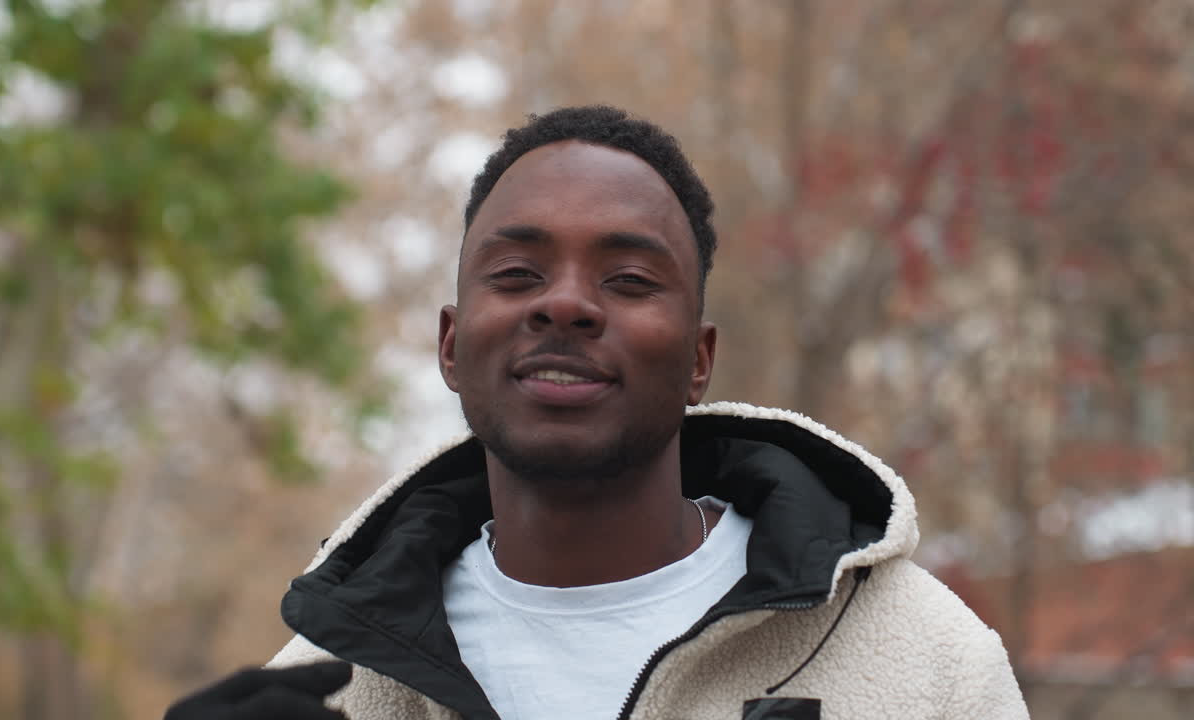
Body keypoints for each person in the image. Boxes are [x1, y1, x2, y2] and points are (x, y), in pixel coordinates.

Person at [165, 105, 1029, 720]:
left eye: (628, 280)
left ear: (699, 359)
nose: (567, 306)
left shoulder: (924, 660)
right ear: (452, 347)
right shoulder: (327, 686)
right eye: (516, 275)